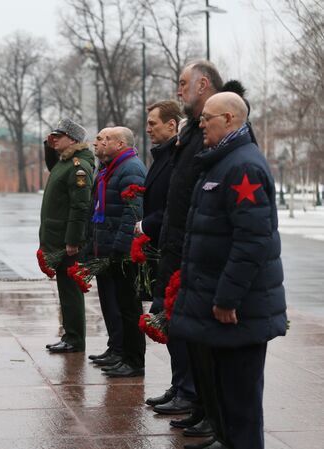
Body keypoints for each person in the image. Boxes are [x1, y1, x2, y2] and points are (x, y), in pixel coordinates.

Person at [170, 92, 287, 449]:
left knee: (241, 406)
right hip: (220, 306)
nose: (200, 124)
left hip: (237, 310)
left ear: (231, 120)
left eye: (208, 118)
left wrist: (226, 298)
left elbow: (252, 241)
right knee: (225, 400)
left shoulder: (243, 167)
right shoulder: (222, 161)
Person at [151, 61, 223, 447]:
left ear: (204, 84)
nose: (179, 91)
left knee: (203, 339)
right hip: (180, 243)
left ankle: (208, 409)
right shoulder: (192, 131)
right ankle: (196, 402)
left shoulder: (216, 132)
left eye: (183, 84)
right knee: (187, 331)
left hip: (197, 247)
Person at [139, 101, 197, 415]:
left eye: (153, 123)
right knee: (169, 322)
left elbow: (174, 205)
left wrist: (145, 225)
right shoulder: (163, 156)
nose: (148, 129)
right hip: (165, 247)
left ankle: (187, 390)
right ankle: (180, 385)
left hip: (173, 247)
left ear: (173, 125)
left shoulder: (176, 158)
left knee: (176, 322)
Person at [87, 126, 147, 377]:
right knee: (115, 304)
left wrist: (120, 250)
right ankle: (119, 350)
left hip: (121, 251)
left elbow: (132, 212)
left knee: (128, 306)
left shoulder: (131, 168)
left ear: (121, 144)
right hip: (108, 245)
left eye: (106, 138)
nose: (99, 142)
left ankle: (132, 359)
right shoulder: (109, 168)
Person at [40, 118, 95, 353]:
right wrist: (47, 143)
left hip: (67, 241)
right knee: (65, 288)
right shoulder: (64, 162)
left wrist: (73, 240)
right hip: (58, 237)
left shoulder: (78, 166)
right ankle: (70, 334)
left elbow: (80, 207)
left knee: (71, 291)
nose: (55, 139)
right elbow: (52, 163)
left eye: (58, 136)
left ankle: (75, 339)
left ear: (71, 139)